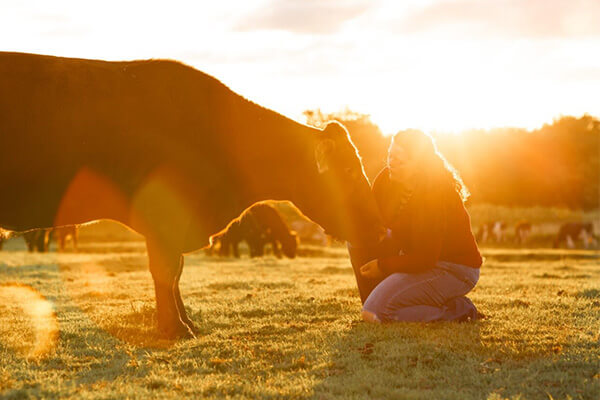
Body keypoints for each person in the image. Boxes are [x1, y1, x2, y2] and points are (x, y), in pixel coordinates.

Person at [348, 130, 483, 323]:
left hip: (453, 269)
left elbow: (426, 257)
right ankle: (372, 301)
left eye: (399, 160)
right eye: (390, 156)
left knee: (377, 314)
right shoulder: (386, 179)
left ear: (419, 166)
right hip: (415, 259)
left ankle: (459, 310)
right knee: (356, 240)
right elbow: (370, 220)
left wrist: (382, 266)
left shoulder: (434, 193)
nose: (391, 163)